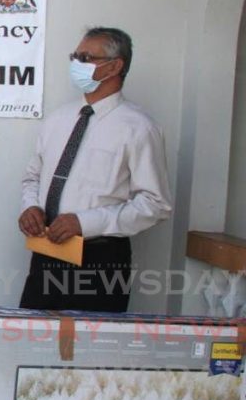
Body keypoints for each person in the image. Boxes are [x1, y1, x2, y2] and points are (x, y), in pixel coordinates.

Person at [18, 27, 172, 312]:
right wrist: (31, 207)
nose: (76, 63)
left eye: (85, 57)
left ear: (115, 66)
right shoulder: (58, 119)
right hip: (46, 250)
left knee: (90, 348)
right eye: (74, 56)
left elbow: (155, 204)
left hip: (100, 258)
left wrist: (85, 222)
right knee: (33, 341)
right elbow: (33, 177)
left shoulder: (138, 128)